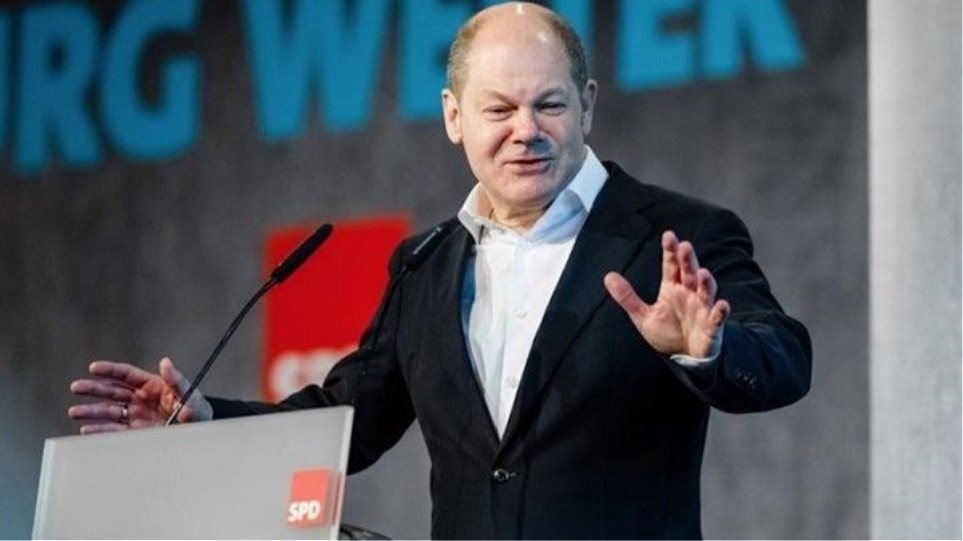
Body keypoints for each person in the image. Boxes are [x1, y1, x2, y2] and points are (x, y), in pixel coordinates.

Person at [68, 3, 811, 538]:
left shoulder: (674, 237)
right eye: (499, 109)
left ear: (586, 106)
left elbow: (784, 358)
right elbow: (350, 420)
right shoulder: (424, 264)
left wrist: (706, 349)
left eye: (549, 104)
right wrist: (207, 422)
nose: (525, 130)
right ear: (454, 116)